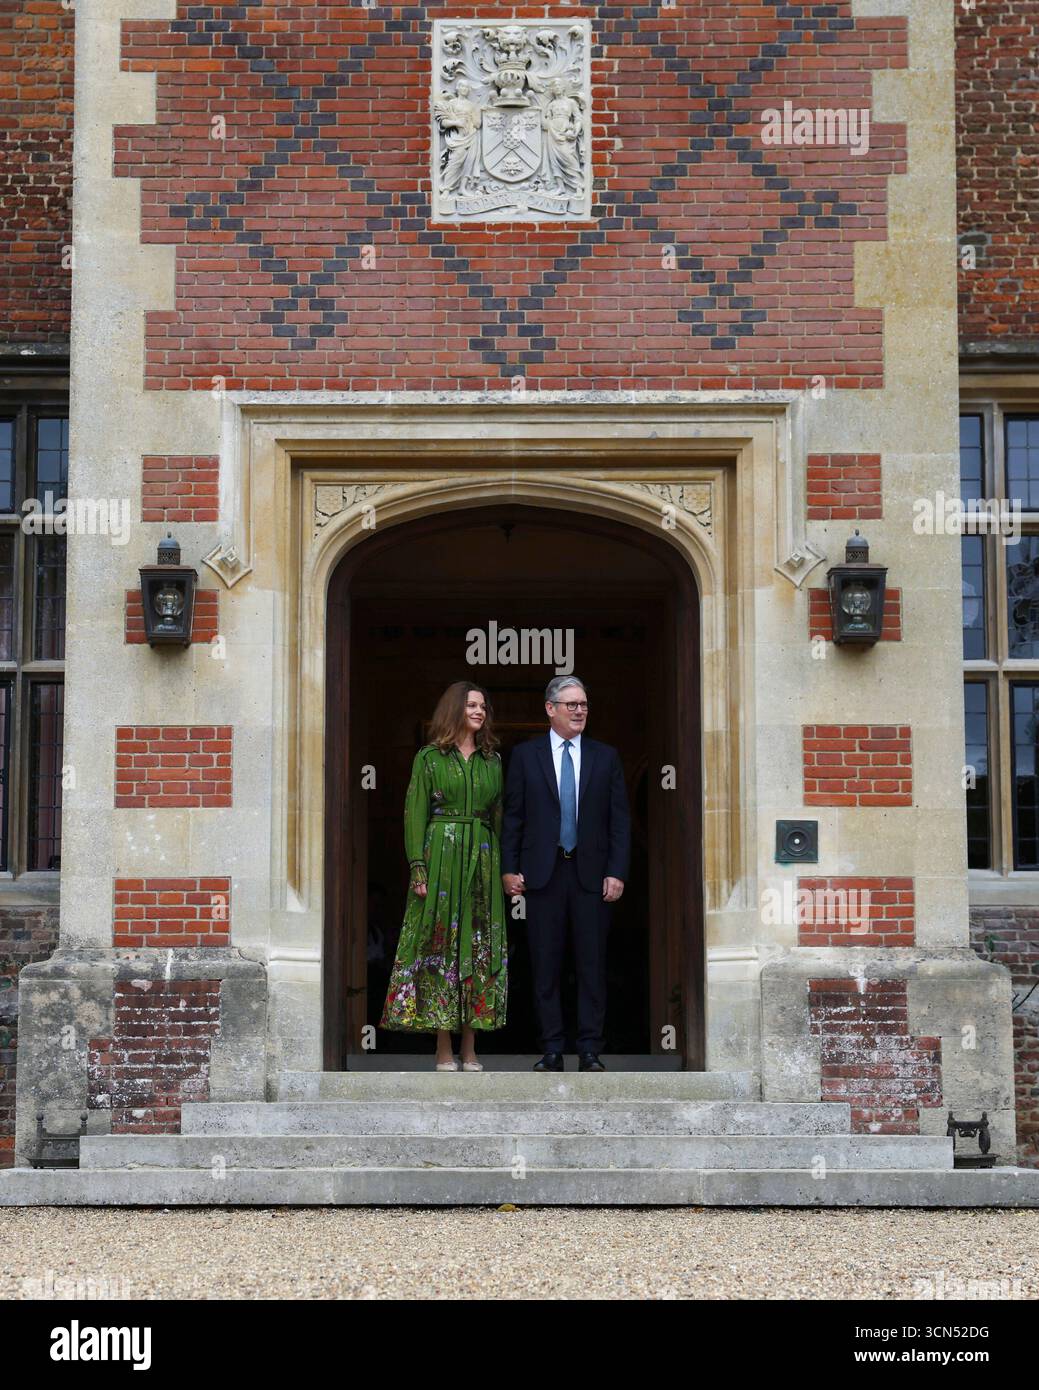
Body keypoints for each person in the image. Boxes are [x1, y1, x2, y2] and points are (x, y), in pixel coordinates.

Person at [501, 676, 631, 1072]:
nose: (579, 711)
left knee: (591, 966)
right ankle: (553, 1048)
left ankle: (590, 1048)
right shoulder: (525, 756)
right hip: (543, 876)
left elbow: (619, 821)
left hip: (592, 876)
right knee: (545, 966)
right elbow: (514, 817)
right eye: (571, 704)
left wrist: (617, 871)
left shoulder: (605, 756)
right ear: (550, 708)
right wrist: (509, 868)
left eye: (584, 705)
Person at [380, 682, 507, 1070]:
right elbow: (415, 812)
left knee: (479, 949)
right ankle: (442, 1048)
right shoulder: (430, 758)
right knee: (440, 946)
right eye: (471, 705)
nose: (479, 711)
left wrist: (497, 868)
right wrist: (418, 864)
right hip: (441, 858)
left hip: (482, 860)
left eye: (483, 706)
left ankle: (471, 1047)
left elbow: (498, 816)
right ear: (454, 710)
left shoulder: (492, 760)